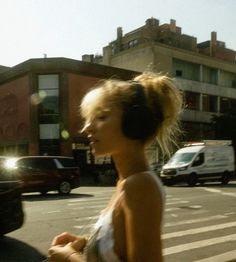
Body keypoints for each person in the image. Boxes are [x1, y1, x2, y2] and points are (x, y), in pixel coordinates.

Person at [47, 72, 183, 262]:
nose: (87, 128)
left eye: (101, 117)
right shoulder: (125, 182)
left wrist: (70, 258)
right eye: (89, 118)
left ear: (134, 123)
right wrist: (88, 245)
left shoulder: (140, 185)